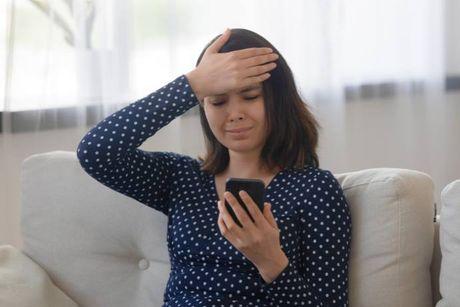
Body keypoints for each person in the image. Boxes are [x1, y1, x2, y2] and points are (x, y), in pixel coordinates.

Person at [77, 27, 352, 307]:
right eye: (218, 100)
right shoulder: (182, 178)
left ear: (277, 100)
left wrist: (271, 262)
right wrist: (193, 84)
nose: (235, 114)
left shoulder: (314, 190)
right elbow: (96, 152)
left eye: (250, 96)